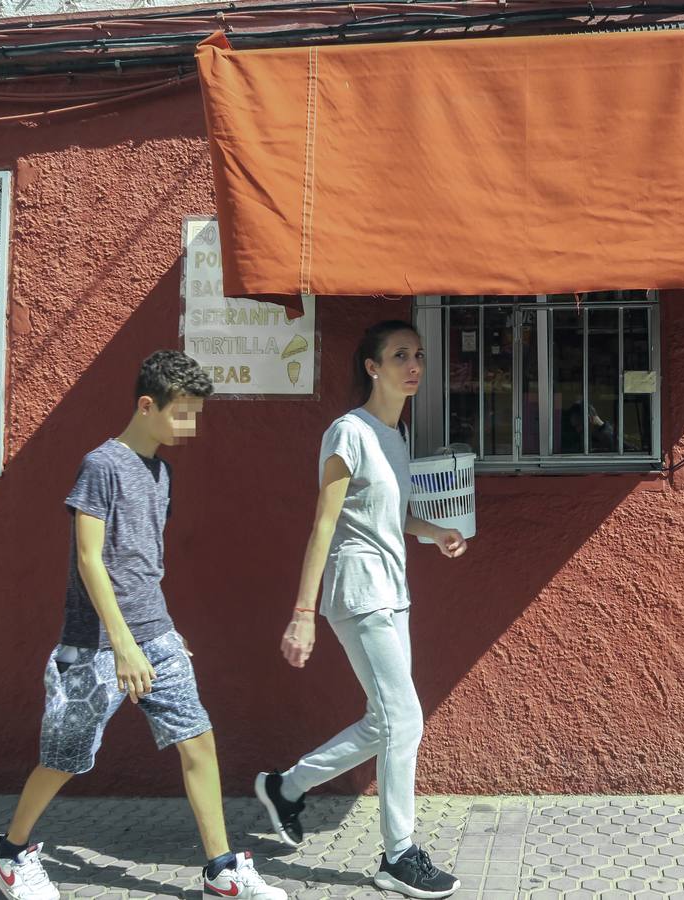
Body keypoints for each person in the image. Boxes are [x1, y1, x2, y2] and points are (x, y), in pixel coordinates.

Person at [0, 351, 284, 900]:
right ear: (147, 405)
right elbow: (90, 559)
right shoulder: (102, 465)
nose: (190, 426)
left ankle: (220, 867)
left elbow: (141, 561)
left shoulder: (162, 472)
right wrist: (122, 643)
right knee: (65, 758)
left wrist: (163, 630)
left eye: (196, 413)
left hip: (155, 635)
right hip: (95, 642)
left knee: (198, 740)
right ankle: (8, 854)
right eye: (182, 414)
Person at [254, 321, 468, 899]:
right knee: (406, 719)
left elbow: (390, 518)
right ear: (372, 367)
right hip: (358, 591)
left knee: (385, 720)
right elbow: (324, 524)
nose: (413, 364)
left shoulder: (394, 436)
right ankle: (398, 855)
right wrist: (302, 611)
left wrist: (434, 532)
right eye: (399, 355)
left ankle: (286, 788)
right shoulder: (347, 433)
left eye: (418, 354)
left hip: (393, 591)